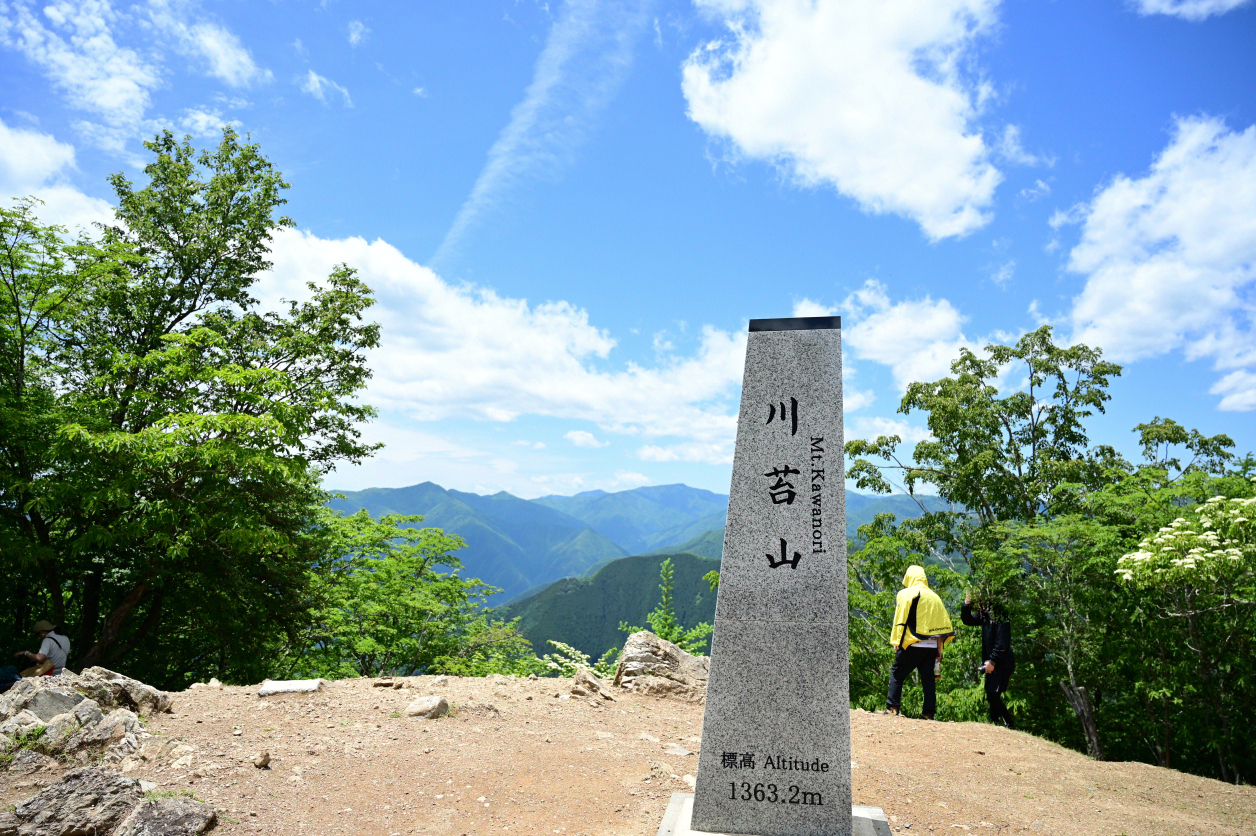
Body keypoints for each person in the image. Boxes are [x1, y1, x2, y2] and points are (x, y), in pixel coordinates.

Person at [885, 565, 955, 720]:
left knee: (897, 673)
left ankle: (892, 708)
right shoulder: (934, 596)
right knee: (928, 679)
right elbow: (940, 624)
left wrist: (897, 640)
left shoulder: (906, 593)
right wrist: (939, 648)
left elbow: (900, 619)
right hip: (930, 647)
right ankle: (929, 713)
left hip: (912, 643)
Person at [961, 589, 1015, 729]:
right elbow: (968, 620)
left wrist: (992, 662)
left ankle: (1009, 725)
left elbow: (1002, 644)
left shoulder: (1001, 616)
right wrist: (966, 604)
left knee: (993, 694)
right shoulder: (987, 615)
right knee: (991, 693)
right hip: (993, 661)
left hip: (1002, 662)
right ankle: (994, 724)